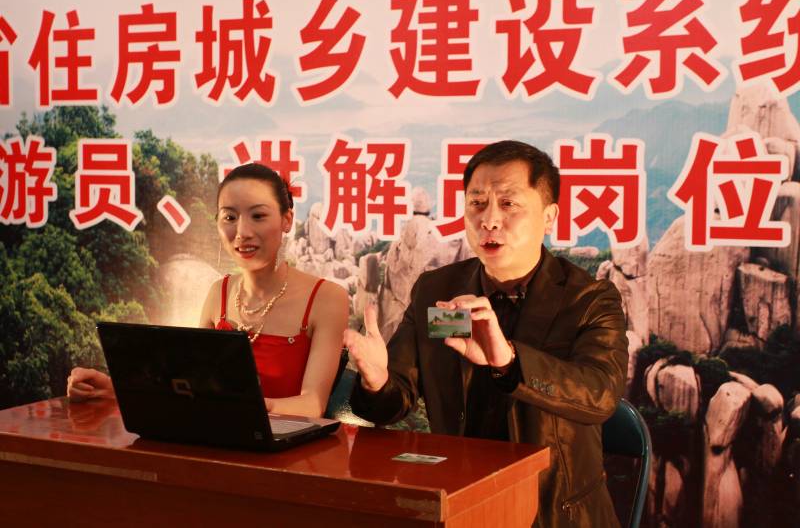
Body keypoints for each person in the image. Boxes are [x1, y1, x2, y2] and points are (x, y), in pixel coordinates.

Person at [344, 140, 628, 528]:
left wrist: (509, 362)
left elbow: (600, 394)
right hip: (461, 505)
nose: (489, 220)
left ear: (549, 217)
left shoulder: (588, 299)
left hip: (554, 514)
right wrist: (377, 382)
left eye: (509, 204)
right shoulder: (437, 290)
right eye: (477, 203)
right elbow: (395, 401)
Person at [68, 163, 349, 418]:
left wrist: (255, 407)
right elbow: (188, 384)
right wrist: (113, 389)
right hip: (218, 442)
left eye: (258, 216)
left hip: (290, 450)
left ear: (286, 220)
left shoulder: (326, 298)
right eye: (230, 217)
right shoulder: (219, 292)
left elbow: (312, 404)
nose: (242, 232)